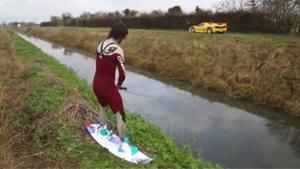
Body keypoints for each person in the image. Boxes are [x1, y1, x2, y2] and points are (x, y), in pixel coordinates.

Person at [93, 22, 128, 142]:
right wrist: (118, 85)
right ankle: (123, 142)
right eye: (124, 37)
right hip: (108, 87)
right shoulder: (118, 50)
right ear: (121, 36)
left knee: (103, 107)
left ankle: (102, 130)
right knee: (120, 115)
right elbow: (123, 74)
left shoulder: (100, 44)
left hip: (96, 84)